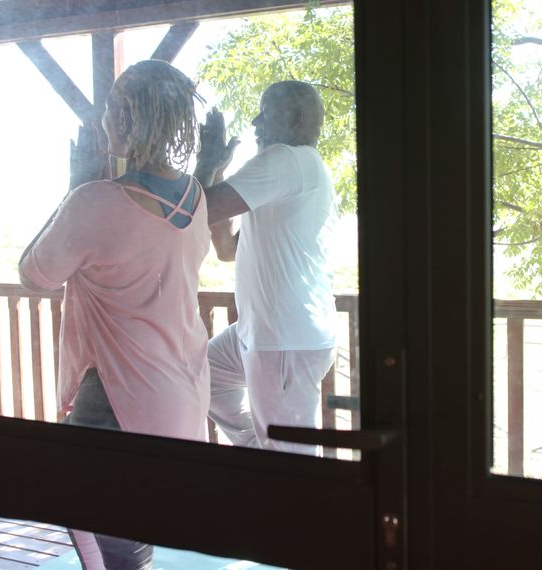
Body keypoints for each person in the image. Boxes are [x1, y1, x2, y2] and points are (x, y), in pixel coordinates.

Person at [19, 60, 209, 570]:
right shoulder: (196, 197)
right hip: (182, 391)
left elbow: (34, 274)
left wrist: (75, 186)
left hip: (117, 395)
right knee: (136, 528)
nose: (101, 121)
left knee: (105, 538)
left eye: (108, 109)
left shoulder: (94, 201)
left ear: (127, 118)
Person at [195, 81, 338, 455]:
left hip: (284, 336)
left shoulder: (288, 159)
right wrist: (218, 173)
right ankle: (258, 449)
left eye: (266, 111)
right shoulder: (297, 171)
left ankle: (289, 493)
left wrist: (207, 163)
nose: (256, 122)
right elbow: (227, 248)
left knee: (291, 455)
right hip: (268, 331)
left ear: (295, 118)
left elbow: (194, 211)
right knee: (204, 371)